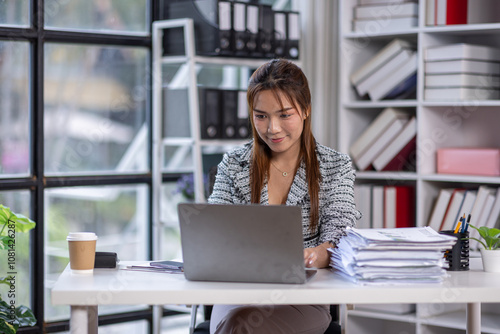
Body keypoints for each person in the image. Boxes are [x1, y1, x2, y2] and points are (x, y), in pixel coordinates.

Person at [207, 59, 361, 334]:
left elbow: (339, 239)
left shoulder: (335, 166)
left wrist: (311, 255)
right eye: (261, 115)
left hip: (305, 294)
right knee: (238, 321)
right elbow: (214, 234)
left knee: (241, 326)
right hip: (238, 290)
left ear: (305, 110)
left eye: (284, 115)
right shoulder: (233, 164)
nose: (272, 128)